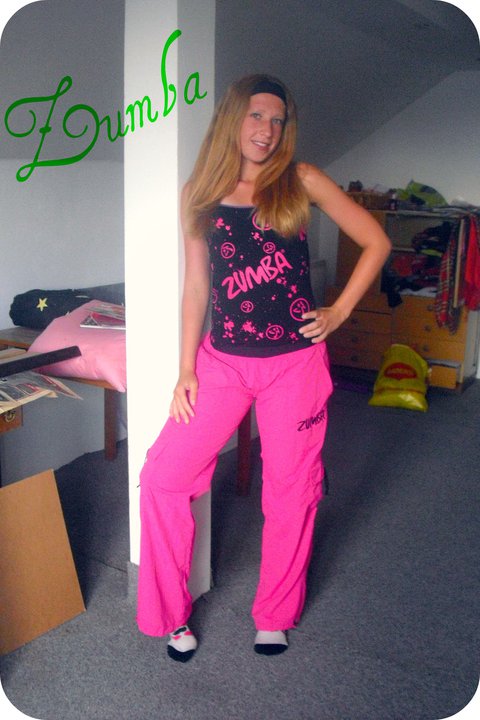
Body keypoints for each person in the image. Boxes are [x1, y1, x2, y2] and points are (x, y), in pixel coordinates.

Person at [136, 74, 391, 662]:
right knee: (164, 477)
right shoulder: (200, 191)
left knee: (291, 491)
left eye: (277, 120)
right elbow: (196, 285)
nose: (267, 130)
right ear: (234, 118)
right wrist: (185, 368)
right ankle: (170, 614)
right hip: (222, 362)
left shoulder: (301, 180)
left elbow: (375, 241)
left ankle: (274, 614)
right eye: (257, 116)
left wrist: (339, 311)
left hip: (294, 366)